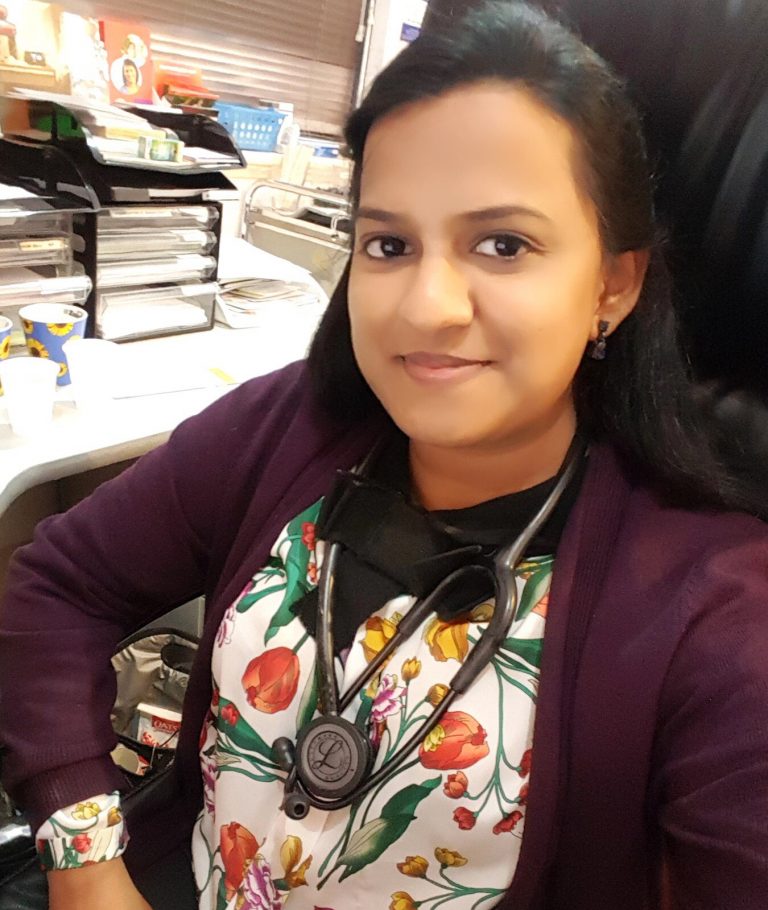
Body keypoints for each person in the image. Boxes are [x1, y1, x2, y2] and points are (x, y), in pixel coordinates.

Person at [1, 2, 767, 908]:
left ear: (613, 283)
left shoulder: (714, 612)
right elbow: (58, 589)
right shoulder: (286, 427)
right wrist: (87, 864)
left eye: (503, 244)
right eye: (389, 244)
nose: (429, 306)